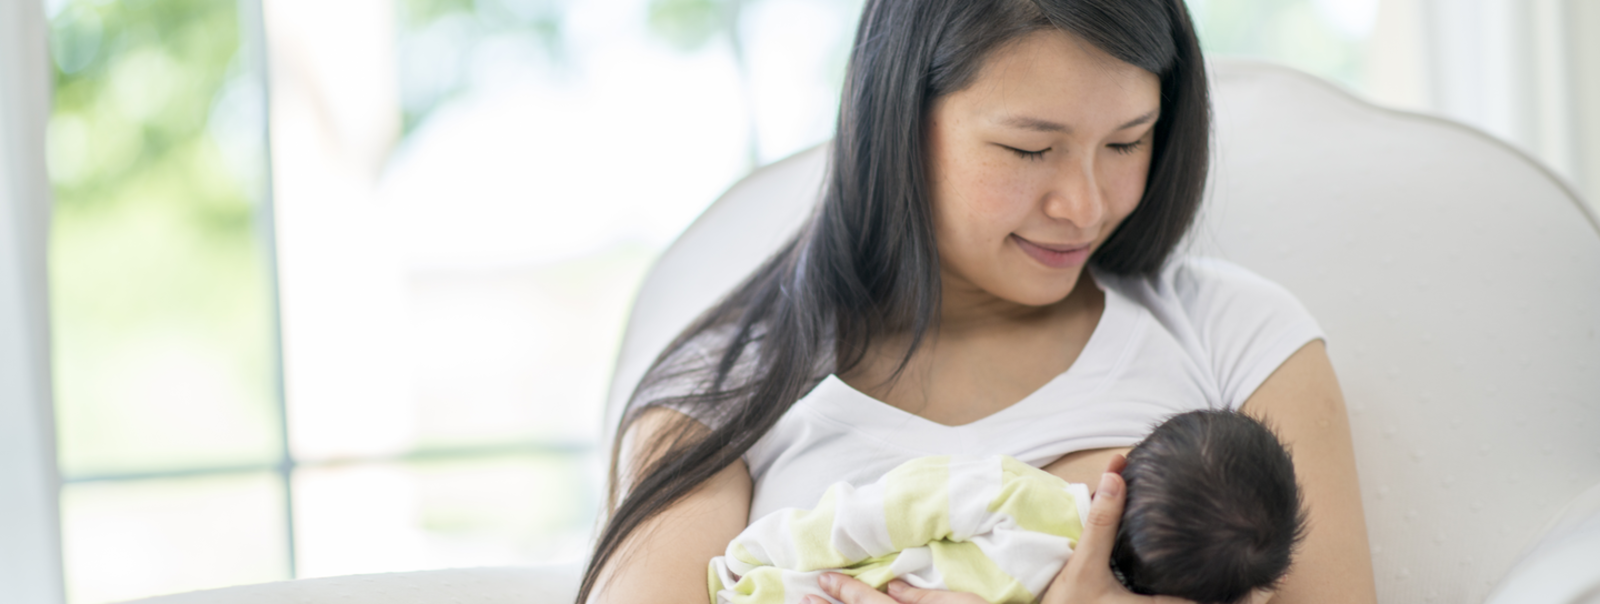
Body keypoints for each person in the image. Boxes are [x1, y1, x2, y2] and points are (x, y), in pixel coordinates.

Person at [578, 0, 1377, 603]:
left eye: (1128, 141)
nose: (1086, 204)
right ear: (899, 124)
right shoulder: (722, 391)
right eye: (1030, 149)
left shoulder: (1237, 335)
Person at [706, 410, 1305, 604]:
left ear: (1116, 468)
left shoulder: (1022, 495)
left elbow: (897, 504)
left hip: (798, 583)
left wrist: (765, 549)